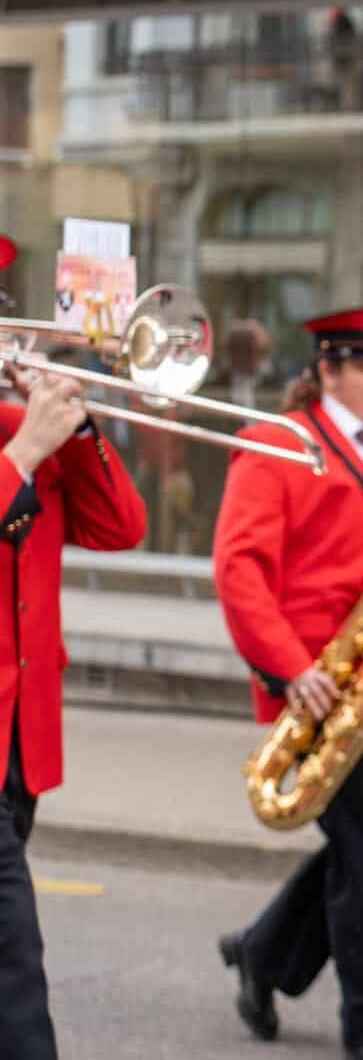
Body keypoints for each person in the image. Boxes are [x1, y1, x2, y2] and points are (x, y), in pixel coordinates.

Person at [213, 306, 363, 1059]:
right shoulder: (278, 443)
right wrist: (289, 668)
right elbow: (240, 569)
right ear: (328, 370)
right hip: (320, 684)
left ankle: (262, 954)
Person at [0, 237, 148, 1060]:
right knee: (14, 971)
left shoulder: (19, 427)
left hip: (21, 740)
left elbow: (120, 528)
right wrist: (23, 455)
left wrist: (78, 424)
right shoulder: (18, 443)